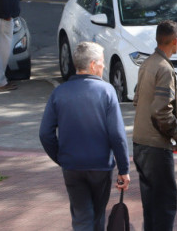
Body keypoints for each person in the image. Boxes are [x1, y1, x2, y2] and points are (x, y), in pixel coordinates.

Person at [39, 42, 130, 231]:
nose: (104, 66)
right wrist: (124, 168)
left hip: (72, 165)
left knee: (81, 217)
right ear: (92, 65)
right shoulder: (107, 91)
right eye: (102, 62)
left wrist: (61, 157)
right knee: (97, 215)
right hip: (100, 165)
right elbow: (117, 134)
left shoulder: (59, 92)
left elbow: (45, 133)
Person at [132, 20, 177, 231]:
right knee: (164, 204)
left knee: (151, 204)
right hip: (155, 145)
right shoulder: (163, 68)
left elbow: (137, 100)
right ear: (175, 41)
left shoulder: (148, 63)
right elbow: (161, 111)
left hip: (140, 141)